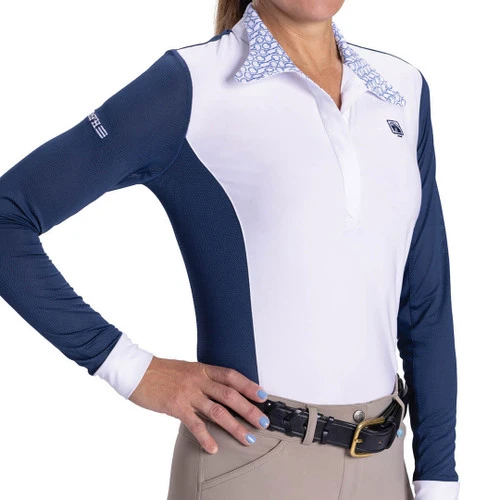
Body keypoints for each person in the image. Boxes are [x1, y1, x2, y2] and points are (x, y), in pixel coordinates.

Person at [0, 0, 459, 498]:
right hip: (250, 463)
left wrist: (438, 478)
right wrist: (131, 369)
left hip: (383, 467)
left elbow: (425, 302)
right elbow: (8, 217)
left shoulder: (403, 90)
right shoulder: (192, 85)